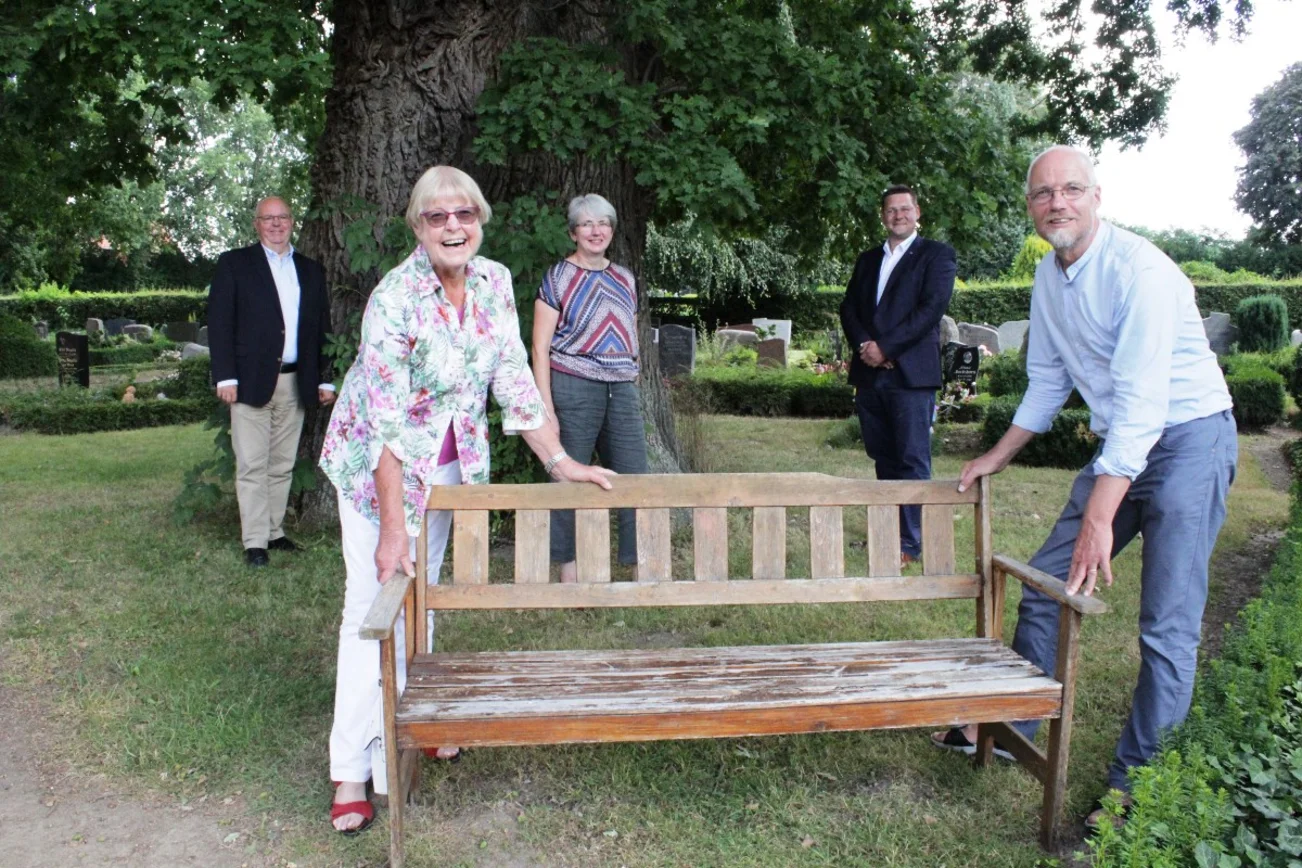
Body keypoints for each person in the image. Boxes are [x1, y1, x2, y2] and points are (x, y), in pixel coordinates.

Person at [931, 145, 1237, 830]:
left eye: (1071, 189)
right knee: (1046, 584)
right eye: (1043, 193)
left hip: (1189, 440)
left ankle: (1137, 785)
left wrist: (1102, 512)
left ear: (1098, 197)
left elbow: (1141, 403)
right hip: (1126, 446)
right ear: (1032, 207)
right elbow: (1047, 381)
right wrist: (997, 456)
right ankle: (1014, 730)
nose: (1057, 203)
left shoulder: (1142, 272)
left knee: (1166, 627)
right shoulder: (1048, 276)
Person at [318, 166, 614, 834]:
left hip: (451, 470)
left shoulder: (493, 281)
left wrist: (560, 460)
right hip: (377, 474)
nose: (453, 227)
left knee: (421, 603)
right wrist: (395, 527)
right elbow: (388, 428)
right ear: (417, 228)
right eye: (437, 217)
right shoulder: (394, 299)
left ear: (479, 220)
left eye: (464, 215)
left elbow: (512, 373)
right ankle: (351, 768)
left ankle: (416, 721)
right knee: (372, 608)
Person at [208, 196, 336, 567]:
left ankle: (274, 531)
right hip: (248, 382)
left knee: (281, 464)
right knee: (251, 464)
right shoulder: (235, 264)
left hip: (296, 382)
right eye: (268, 218)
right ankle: (254, 542)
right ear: (257, 224)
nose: (276, 224)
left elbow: (321, 328)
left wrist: (325, 379)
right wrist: (225, 376)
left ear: (291, 221)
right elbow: (220, 324)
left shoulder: (311, 270)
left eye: (282, 217)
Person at [531, 194, 649, 582]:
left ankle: (639, 566)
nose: (596, 231)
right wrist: (545, 405)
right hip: (573, 386)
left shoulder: (625, 278)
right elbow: (539, 347)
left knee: (635, 478)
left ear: (612, 230)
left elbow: (629, 331)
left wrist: (633, 374)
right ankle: (570, 570)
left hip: (621, 389)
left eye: (603, 223)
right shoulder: (557, 278)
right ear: (573, 232)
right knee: (568, 478)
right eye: (587, 224)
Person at [839, 184, 957, 567]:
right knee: (883, 457)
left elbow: (930, 310)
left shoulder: (936, 256)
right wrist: (866, 347)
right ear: (883, 215)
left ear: (917, 212)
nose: (898, 215)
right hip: (870, 375)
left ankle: (911, 542)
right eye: (891, 210)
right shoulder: (868, 259)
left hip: (910, 375)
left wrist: (886, 349)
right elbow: (848, 308)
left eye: (905, 209)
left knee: (911, 458)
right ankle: (886, 536)